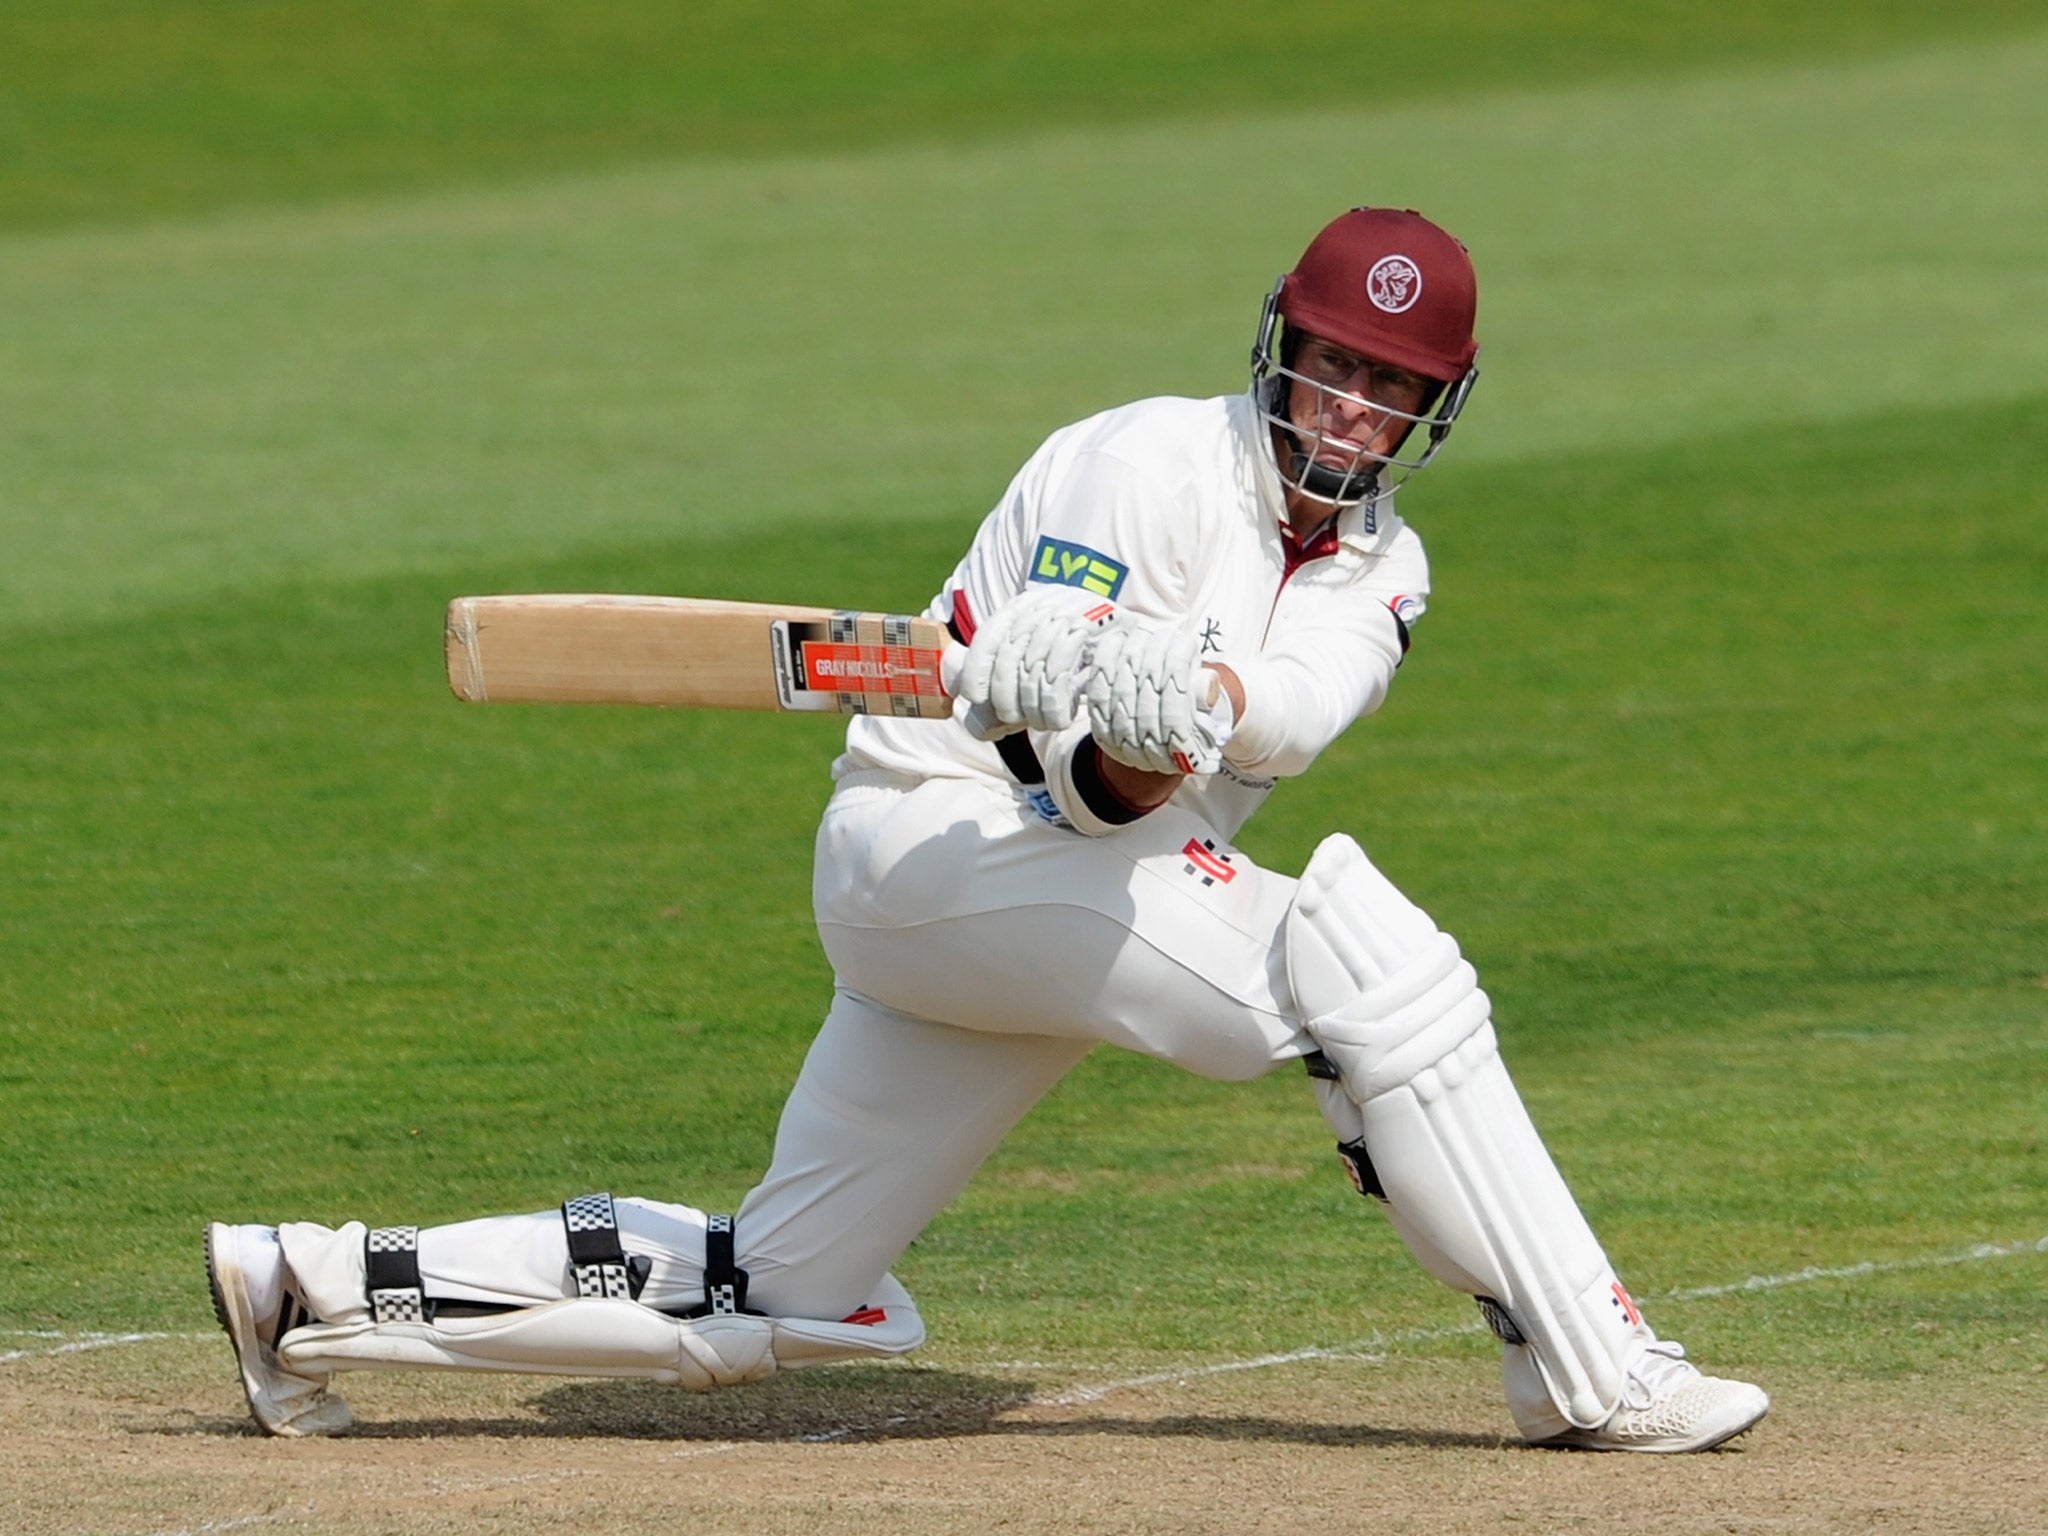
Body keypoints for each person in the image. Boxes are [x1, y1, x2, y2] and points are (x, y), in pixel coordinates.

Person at [206, 208, 1769, 1452]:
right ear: (1277, 346)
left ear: (1437, 406)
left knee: (793, 1293)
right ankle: (1588, 1363)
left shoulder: (1388, 570)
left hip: (1059, 898)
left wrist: (1182, 702)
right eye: (1330, 363)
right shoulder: (1139, 461)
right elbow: (1064, 781)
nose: (1349, 406)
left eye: (1391, 386)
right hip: (937, 844)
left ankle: (308, 1282)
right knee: (1352, 960)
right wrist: (1088, 701)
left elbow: (1279, 720)